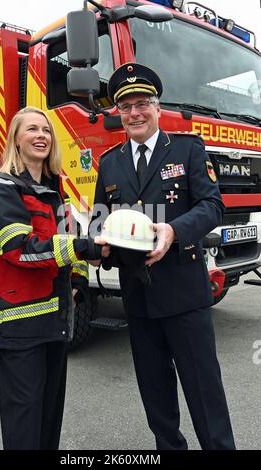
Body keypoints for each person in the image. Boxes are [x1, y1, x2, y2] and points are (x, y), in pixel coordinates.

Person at [90, 63, 236, 450]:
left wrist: (175, 230)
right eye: (126, 107)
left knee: (205, 393)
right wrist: (95, 249)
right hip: (137, 298)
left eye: (143, 104)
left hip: (184, 294)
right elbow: (98, 221)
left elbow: (212, 206)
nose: (134, 113)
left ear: (157, 107)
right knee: (156, 397)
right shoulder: (110, 162)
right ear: (118, 113)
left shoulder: (187, 149)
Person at [0, 106, 109, 450]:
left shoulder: (53, 191)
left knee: (48, 420)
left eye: (46, 130)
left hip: (55, 321)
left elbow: (69, 243)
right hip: (19, 330)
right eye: (32, 129)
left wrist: (78, 281)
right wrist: (83, 246)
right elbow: (19, 248)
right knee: (25, 423)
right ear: (15, 140)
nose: (41, 136)